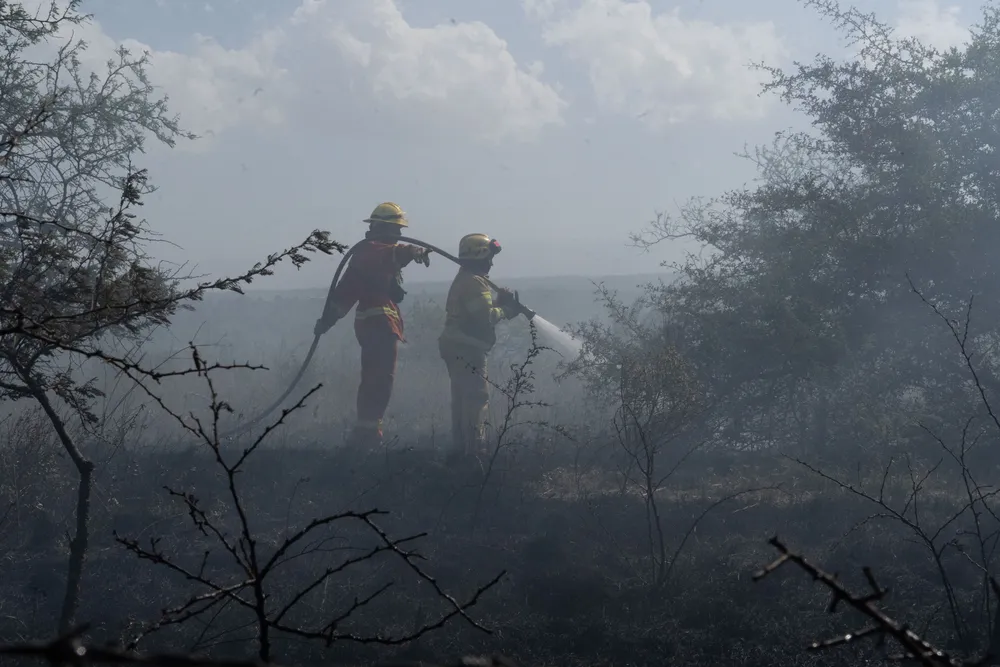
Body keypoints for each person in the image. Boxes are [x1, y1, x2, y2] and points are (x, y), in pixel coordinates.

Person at [314, 202, 431, 446]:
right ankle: (369, 434)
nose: (399, 234)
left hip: (377, 326)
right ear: (382, 227)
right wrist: (412, 252)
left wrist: (327, 320)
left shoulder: (368, 255)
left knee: (375, 378)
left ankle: (365, 431)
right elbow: (390, 255)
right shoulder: (370, 251)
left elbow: (344, 293)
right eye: (396, 229)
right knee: (380, 379)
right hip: (379, 325)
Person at [438, 233, 524, 461]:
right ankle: (476, 452)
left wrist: (498, 301)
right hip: (467, 348)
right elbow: (484, 317)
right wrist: (507, 311)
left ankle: (460, 450)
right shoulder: (474, 283)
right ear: (480, 257)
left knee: (461, 399)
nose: (491, 263)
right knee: (476, 398)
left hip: (454, 345)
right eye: (489, 258)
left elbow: (476, 311)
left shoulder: (467, 279)